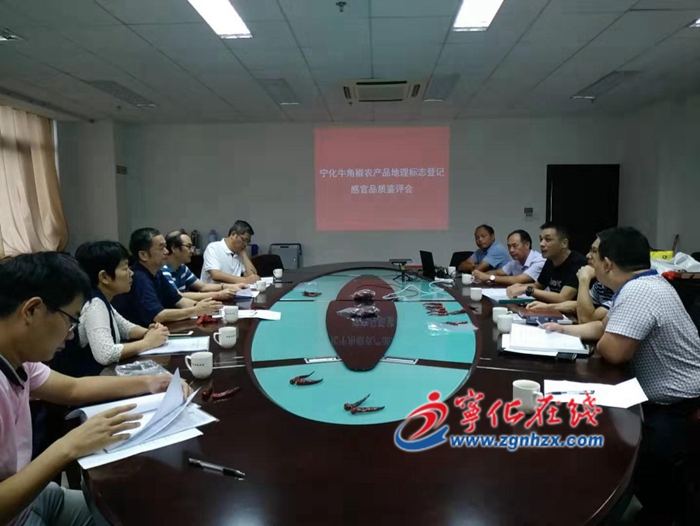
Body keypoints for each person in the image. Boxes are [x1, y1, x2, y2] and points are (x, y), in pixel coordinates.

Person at [0, 252, 192, 526]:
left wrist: (150, 382)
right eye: (70, 319)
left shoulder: (20, 359)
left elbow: (73, 388)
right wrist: (68, 446)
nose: (70, 334)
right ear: (32, 310)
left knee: (133, 511)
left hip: (32, 498)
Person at [543, 227, 700, 525]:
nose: (588, 257)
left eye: (594, 252)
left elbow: (613, 351)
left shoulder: (639, 292)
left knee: (621, 449)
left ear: (607, 263)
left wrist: (598, 337)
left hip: (677, 404)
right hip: (667, 395)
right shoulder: (643, 283)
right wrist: (561, 329)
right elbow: (604, 327)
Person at [74, 241, 170, 367]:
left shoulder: (101, 299)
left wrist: (150, 332)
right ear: (104, 277)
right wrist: (147, 342)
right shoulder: (95, 304)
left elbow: (125, 328)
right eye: (125, 268)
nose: (131, 273)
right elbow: (106, 354)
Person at [113, 228, 221, 327]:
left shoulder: (157, 273)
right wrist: (195, 310)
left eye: (165, 247)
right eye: (161, 248)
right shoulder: (139, 277)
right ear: (143, 255)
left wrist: (199, 305)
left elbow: (178, 300)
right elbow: (158, 315)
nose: (166, 251)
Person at [527, 234, 614, 323]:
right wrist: (548, 307)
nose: (588, 255)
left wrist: (584, 280)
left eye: (594, 251)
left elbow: (585, 320)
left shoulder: (621, 292)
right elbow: (579, 305)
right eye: (541, 239)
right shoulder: (601, 284)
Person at [506, 223, 587, 304]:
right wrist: (519, 286)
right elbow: (538, 286)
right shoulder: (550, 261)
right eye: (541, 239)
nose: (542, 244)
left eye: (547, 240)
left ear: (564, 243)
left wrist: (527, 289)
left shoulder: (578, 263)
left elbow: (562, 298)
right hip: (553, 308)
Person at [163, 231, 246, 302]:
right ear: (174, 248)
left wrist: (228, 286)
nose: (192, 251)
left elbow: (203, 286)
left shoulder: (182, 268)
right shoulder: (163, 270)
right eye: (188, 247)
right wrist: (218, 295)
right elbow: (178, 295)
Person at [472, 230, 545, 286]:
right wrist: (480, 275)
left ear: (527, 245)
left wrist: (489, 277)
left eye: (515, 246)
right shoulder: (516, 261)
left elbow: (518, 280)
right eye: (509, 246)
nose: (511, 250)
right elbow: (498, 272)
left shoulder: (539, 261)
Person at [201, 221, 260, 285]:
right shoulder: (213, 248)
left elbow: (252, 277)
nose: (245, 244)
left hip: (233, 290)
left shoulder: (239, 252)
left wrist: (243, 254)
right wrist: (245, 280)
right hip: (213, 290)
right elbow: (215, 275)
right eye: (244, 240)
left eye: (248, 242)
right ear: (233, 235)